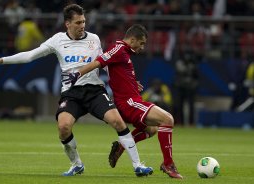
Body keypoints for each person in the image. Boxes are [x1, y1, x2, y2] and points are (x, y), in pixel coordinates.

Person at [0, 4, 153, 177]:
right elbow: (31, 55)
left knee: (118, 122)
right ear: (67, 24)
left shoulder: (94, 39)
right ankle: (77, 165)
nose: (82, 26)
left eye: (84, 21)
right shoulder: (57, 40)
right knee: (63, 127)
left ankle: (138, 165)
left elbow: (106, 64)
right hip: (72, 93)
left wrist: (127, 83)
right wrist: (2, 60)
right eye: (78, 22)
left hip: (94, 90)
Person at [66, 24, 183, 179]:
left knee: (152, 130)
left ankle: (122, 146)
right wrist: (78, 73)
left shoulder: (125, 53)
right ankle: (168, 164)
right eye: (141, 43)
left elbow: (116, 73)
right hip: (129, 103)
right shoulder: (118, 49)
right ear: (132, 39)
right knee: (167, 119)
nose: (142, 47)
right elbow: (99, 62)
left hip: (131, 101)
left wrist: (133, 82)